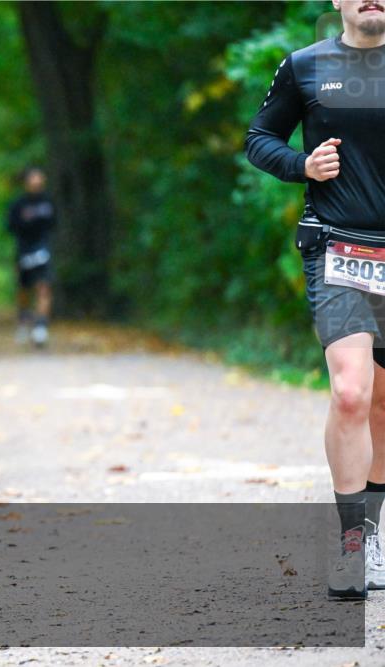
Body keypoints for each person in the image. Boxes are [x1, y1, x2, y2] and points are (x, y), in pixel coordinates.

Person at [245, 0, 385, 599]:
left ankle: (375, 536)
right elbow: (259, 139)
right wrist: (303, 164)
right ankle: (352, 546)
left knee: (382, 405)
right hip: (338, 249)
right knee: (352, 392)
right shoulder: (305, 66)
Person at [7, 166, 56, 347]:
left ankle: (41, 327)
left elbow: (53, 224)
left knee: (44, 287)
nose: (36, 182)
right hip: (23, 251)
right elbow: (10, 227)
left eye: (39, 178)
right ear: (26, 182)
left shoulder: (48, 202)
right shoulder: (18, 204)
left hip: (43, 250)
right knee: (24, 290)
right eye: (33, 178)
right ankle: (23, 321)